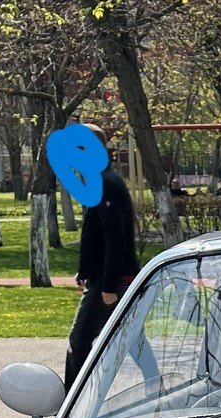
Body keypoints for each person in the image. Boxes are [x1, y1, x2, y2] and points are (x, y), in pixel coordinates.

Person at [66, 123, 139, 384]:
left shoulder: (105, 183)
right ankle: (157, 383)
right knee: (130, 337)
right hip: (107, 277)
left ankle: (73, 403)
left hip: (111, 281)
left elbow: (115, 238)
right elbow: (96, 234)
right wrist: (85, 270)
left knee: (79, 340)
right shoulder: (100, 180)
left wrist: (108, 285)